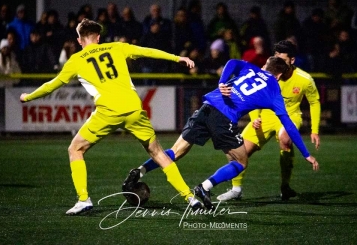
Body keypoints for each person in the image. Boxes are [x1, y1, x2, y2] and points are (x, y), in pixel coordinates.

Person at [19, 18, 201, 215]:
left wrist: (28, 97)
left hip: (108, 112)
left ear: (80, 41)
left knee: (75, 149)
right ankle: (190, 197)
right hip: (133, 109)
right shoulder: (116, 47)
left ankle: (83, 200)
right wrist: (177, 58)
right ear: (98, 38)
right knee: (158, 154)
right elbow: (147, 51)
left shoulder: (76, 61)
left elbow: (52, 85)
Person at [124, 56, 319, 210]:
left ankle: (139, 171)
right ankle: (205, 187)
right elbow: (289, 126)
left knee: (176, 152)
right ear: (278, 76)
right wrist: (306, 153)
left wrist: (222, 82)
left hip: (206, 108)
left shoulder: (251, 69)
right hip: (223, 119)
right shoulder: (275, 90)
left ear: (265, 66)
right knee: (240, 162)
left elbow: (232, 62)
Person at [216, 40, 321, 201]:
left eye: (282, 57)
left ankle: (285, 186)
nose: (276, 60)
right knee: (238, 151)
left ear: (292, 60)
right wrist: (255, 117)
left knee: (286, 138)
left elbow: (314, 102)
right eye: (275, 55)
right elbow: (254, 94)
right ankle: (236, 189)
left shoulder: (305, 79)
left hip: (290, 116)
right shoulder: (266, 73)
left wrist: (314, 130)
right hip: (265, 117)